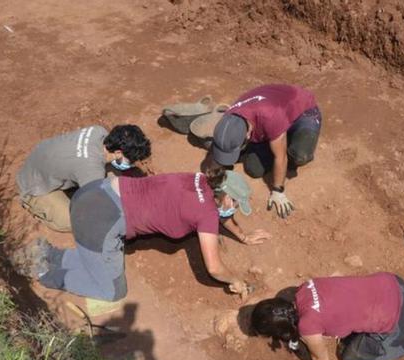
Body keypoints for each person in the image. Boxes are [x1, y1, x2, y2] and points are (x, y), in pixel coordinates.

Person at [22, 164, 270, 301]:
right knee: (112, 291)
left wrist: (243, 236)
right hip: (103, 219)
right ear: (224, 196)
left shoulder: (199, 179)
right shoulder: (205, 213)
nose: (235, 209)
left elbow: (218, 213)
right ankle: (45, 274)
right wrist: (235, 280)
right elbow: (215, 268)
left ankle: (48, 253)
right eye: (235, 203)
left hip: (96, 191)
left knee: (96, 260)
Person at [249, 273, 404, 360]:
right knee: (350, 333)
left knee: (350, 355)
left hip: (398, 321)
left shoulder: (308, 327)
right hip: (396, 285)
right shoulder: (305, 287)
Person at [209, 84, 321, 219]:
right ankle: (277, 137)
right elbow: (220, 148)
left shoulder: (270, 117)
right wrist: (215, 180)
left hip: (302, 111)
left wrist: (277, 191)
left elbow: (281, 157)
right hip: (273, 111)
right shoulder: (229, 119)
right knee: (254, 169)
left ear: (248, 135)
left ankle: (286, 138)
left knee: (300, 155)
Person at [16, 124, 151, 232]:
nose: (132, 163)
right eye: (131, 160)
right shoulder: (91, 170)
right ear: (118, 152)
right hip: (35, 185)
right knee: (80, 222)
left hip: (44, 161)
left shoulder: (99, 131)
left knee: (113, 178)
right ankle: (32, 203)